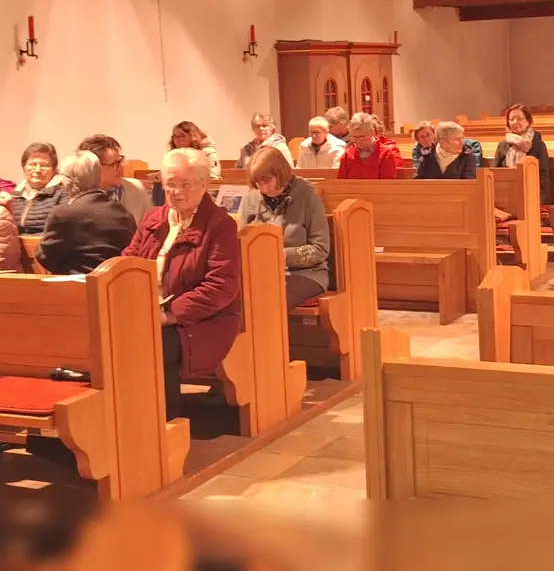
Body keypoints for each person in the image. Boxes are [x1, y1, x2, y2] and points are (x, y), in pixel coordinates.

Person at [123, 148, 241, 421]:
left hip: (204, 320)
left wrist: (169, 314)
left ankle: (165, 427)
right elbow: (129, 261)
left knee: (155, 345)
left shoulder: (220, 225)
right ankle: (128, 424)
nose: (176, 192)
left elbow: (221, 286)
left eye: (185, 184)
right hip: (150, 313)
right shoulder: (154, 219)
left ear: (204, 185)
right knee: (113, 343)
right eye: (170, 184)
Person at [239, 147, 330, 309]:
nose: (263, 187)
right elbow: (242, 243)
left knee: (270, 299)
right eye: (258, 182)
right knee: (232, 297)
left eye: (266, 180)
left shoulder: (307, 196)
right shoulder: (252, 200)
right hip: (262, 273)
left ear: (280, 173)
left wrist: (282, 255)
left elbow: (321, 249)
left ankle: (272, 335)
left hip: (305, 274)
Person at [36, 151, 138, 276]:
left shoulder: (63, 214)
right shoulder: (123, 213)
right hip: (115, 286)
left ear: (67, 181)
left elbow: (46, 258)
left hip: (76, 289)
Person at [79, 134, 152, 222]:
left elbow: (150, 226)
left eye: (120, 161)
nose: (121, 167)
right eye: (114, 164)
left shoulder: (136, 188)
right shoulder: (77, 195)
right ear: (94, 168)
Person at [493, 104, 554, 204]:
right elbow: (494, 172)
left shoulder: (538, 145)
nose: (515, 122)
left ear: (528, 121)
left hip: (532, 192)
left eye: (519, 119)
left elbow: (543, 176)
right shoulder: (502, 145)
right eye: (511, 119)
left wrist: (533, 192)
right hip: (507, 192)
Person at [12, 142, 66, 235]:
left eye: (44, 165)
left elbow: (60, 232)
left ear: (54, 170)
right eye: (32, 164)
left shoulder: (62, 195)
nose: (37, 170)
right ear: (24, 167)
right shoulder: (14, 195)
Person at [339, 112, 401, 179]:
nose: (358, 141)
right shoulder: (347, 155)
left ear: (372, 133)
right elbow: (341, 183)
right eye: (354, 137)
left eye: (362, 137)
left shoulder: (385, 154)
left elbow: (388, 184)